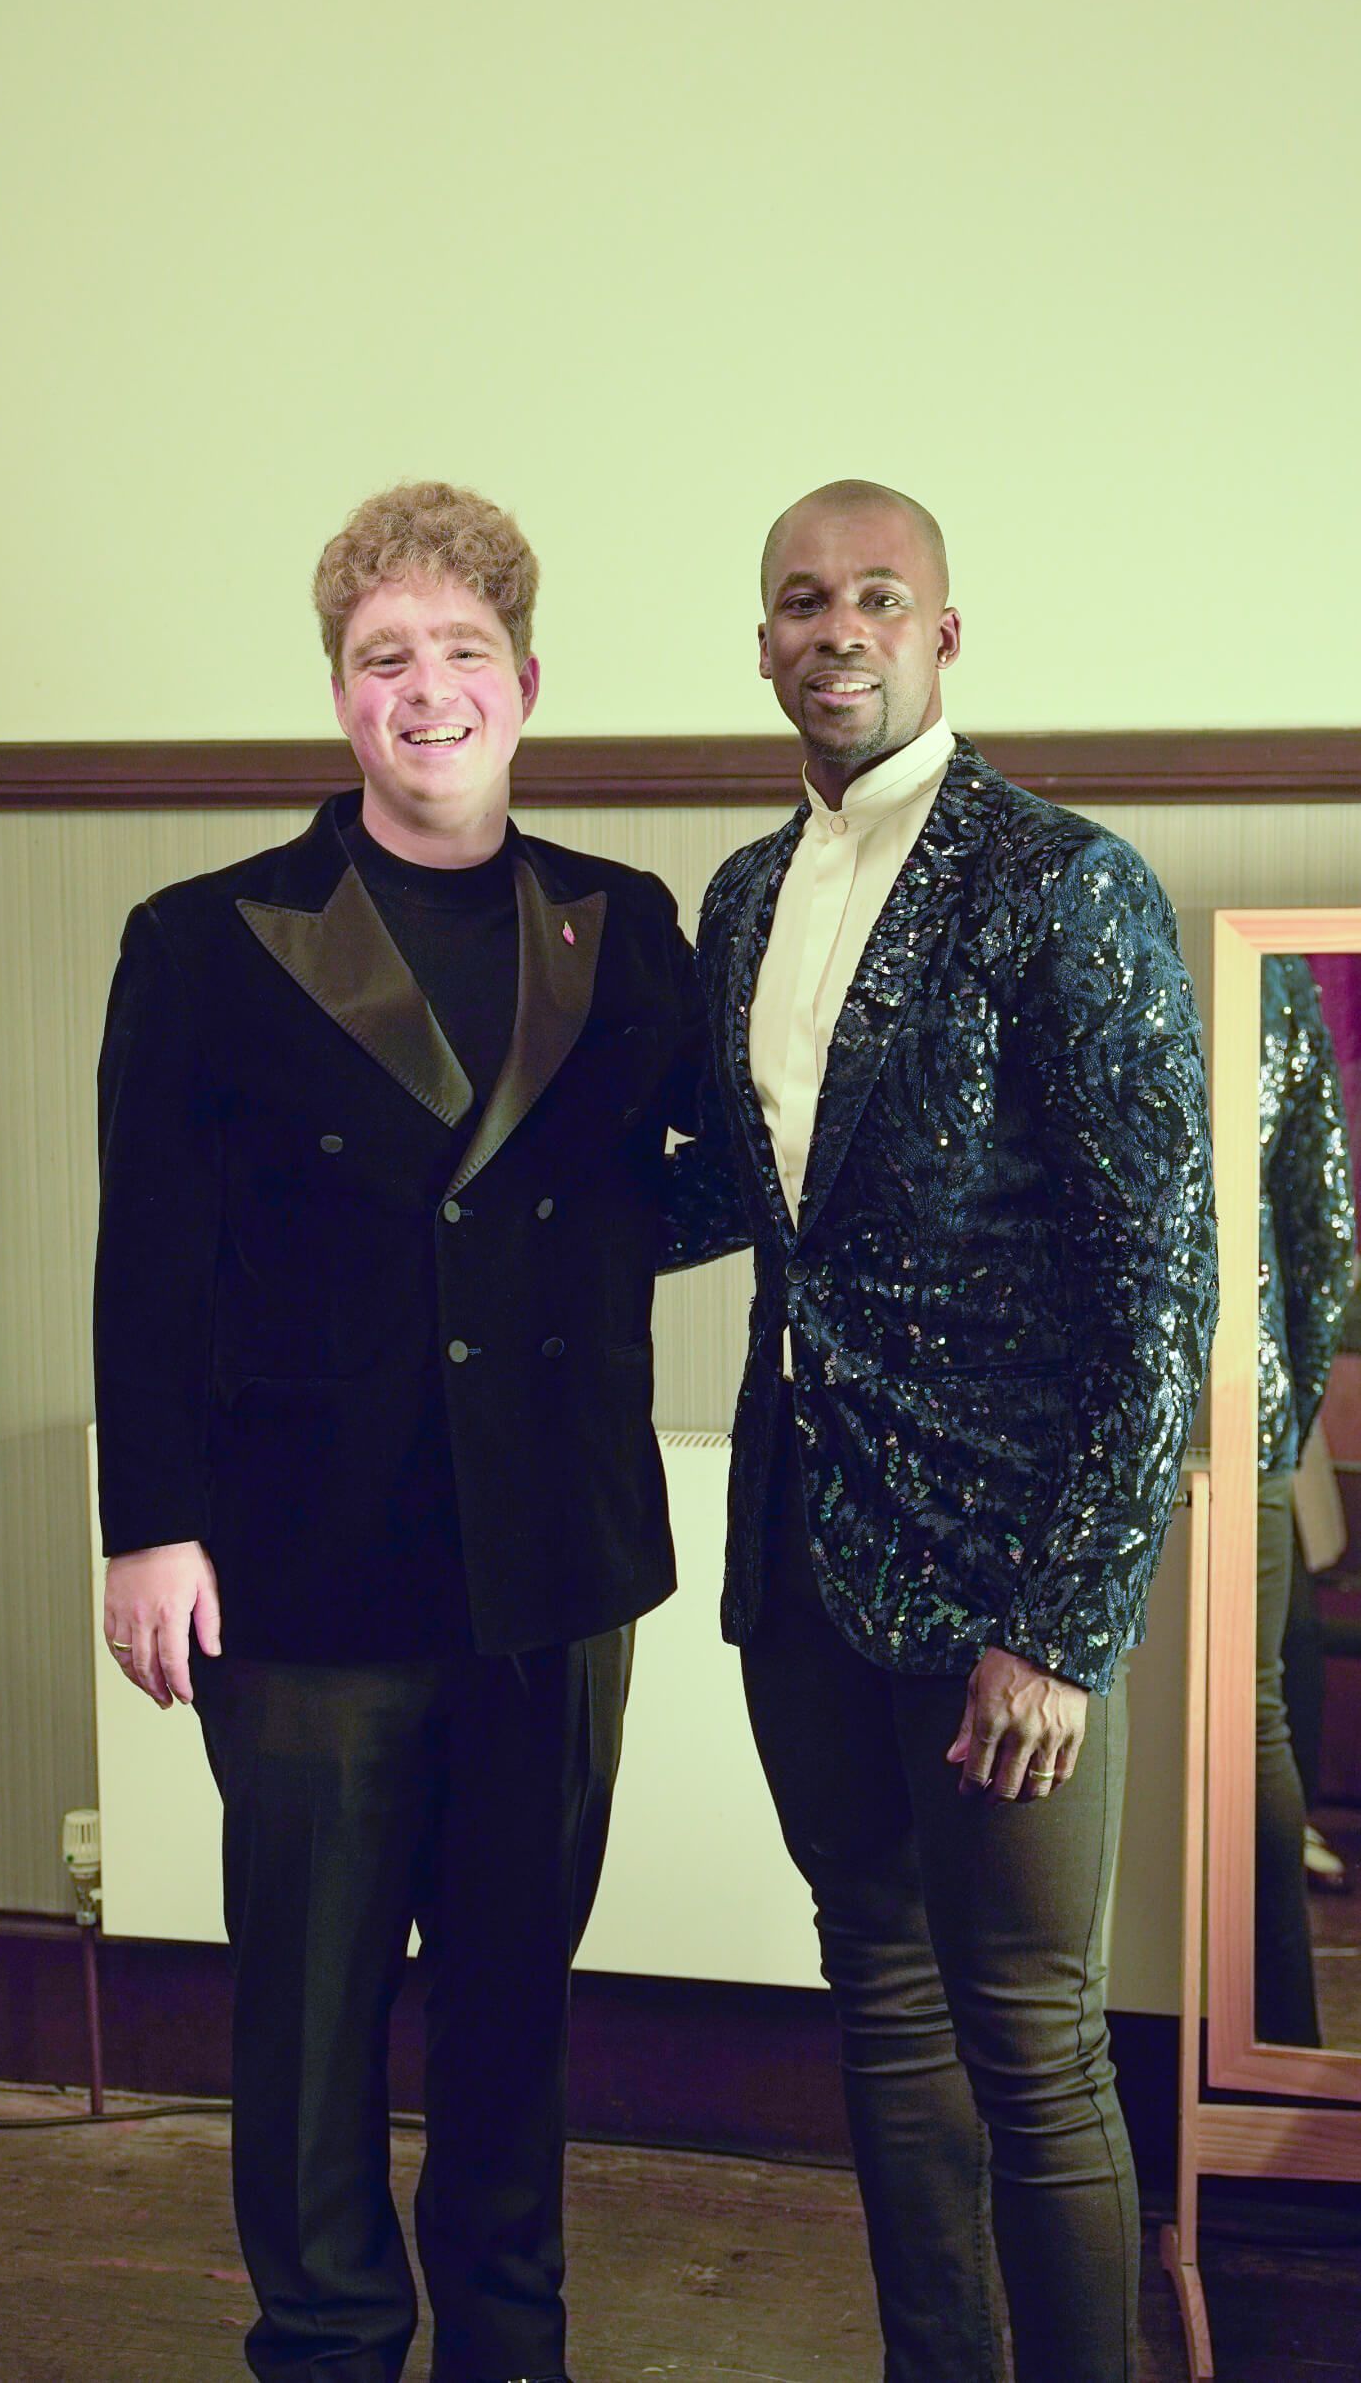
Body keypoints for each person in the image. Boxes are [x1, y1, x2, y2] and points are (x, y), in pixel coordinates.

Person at [94, 481, 703, 2383]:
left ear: (525, 682)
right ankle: (329, 2339)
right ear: (337, 692)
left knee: (513, 2006)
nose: (423, 689)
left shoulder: (628, 924)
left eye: (459, 651)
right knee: (308, 2016)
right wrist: (148, 1526)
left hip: (552, 1562)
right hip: (302, 1558)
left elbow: (698, 1178)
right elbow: (148, 1253)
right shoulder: (204, 938)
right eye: (382, 658)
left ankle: (510, 2344)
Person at [663, 479, 1218, 2383]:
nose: (837, 631)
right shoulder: (741, 899)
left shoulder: (1061, 882)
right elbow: (746, 1194)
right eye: (801, 601)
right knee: (879, 2002)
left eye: (877, 598)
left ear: (943, 634)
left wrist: (1064, 1624)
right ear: (762, 644)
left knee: (1036, 2048)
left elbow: (1159, 1286)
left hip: (1003, 1590)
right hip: (800, 1562)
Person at [1255, 954, 1354, 2041]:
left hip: (1025, 1404)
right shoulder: (1273, 978)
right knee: (1253, 1719)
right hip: (1247, 1395)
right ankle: (1276, 2032)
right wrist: (1285, 1407)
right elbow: (1323, 1230)